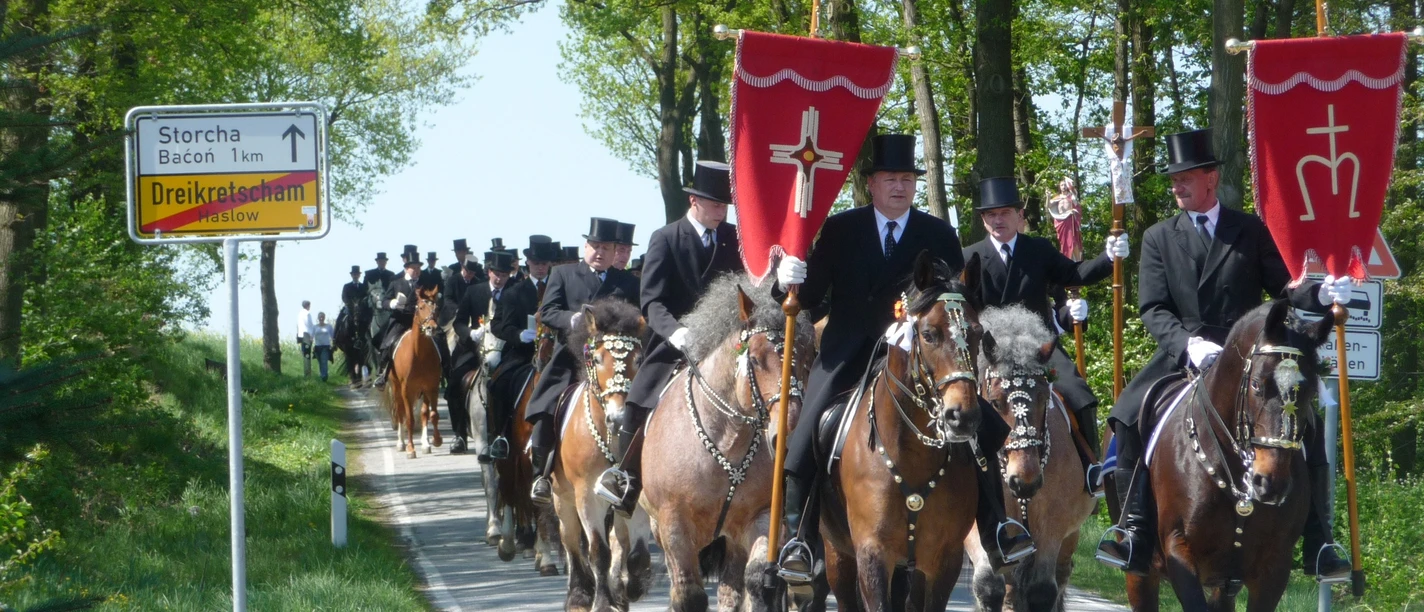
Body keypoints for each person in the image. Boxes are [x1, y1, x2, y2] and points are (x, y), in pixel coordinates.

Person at [773, 134, 1034, 582]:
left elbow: (957, 297)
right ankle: (800, 539)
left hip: (923, 355)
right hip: (848, 354)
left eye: (907, 179)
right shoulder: (840, 229)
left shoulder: (938, 233)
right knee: (806, 432)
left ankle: (997, 530)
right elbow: (809, 302)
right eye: (890, 179)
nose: (900, 187)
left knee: (983, 427)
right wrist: (786, 282)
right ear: (871, 185)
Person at [1097, 129, 1354, 580]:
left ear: (1211, 178)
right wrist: (1187, 344)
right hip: (1184, 352)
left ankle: (1319, 541)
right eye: (1174, 181)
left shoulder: (1250, 229)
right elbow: (1152, 307)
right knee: (1127, 416)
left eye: (1185, 179)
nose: (1177, 187)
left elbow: (1285, 288)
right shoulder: (1159, 236)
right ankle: (1133, 530)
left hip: (1249, 354)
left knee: (1306, 422)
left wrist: (1321, 294)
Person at [961, 177, 1126, 494]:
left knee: (1078, 393)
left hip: (1038, 347)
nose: (998, 220)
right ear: (983, 219)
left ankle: (1091, 467)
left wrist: (1108, 258)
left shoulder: (1037, 249)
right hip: (990, 351)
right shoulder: (970, 256)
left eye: (1005, 213)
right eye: (991, 214)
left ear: (1019, 215)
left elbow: (1074, 273)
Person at [596, 161, 741, 515]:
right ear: (694, 200)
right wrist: (675, 330)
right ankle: (627, 480)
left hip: (723, 340)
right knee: (638, 400)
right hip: (675, 340)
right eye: (715, 204)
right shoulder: (666, 237)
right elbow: (652, 300)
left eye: (725, 205)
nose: (721, 211)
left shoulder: (733, 236)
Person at [526, 218, 642, 505]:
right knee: (545, 402)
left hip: (614, 361)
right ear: (585, 247)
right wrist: (572, 318)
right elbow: (548, 311)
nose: (600, 252)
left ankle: (638, 474)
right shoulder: (563, 274)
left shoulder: (628, 282)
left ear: (615, 252)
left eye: (607, 248)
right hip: (571, 356)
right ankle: (541, 474)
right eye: (595, 246)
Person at [480, 236, 561, 462]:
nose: (540, 267)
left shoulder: (560, 289)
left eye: (544, 263)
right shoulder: (514, 292)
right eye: (536, 262)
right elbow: (498, 325)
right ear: (528, 263)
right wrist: (518, 335)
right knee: (498, 384)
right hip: (522, 354)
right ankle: (500, 436)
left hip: (557, 353)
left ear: (549, 264)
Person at [448, 251, 517, 454]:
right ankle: (459, 434)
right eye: (496, 274)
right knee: (455, 382)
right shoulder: (474, 291)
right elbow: (459, 322)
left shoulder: (515, 291)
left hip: (506, 349)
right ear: (489, 272)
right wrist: (470, 333)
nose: (499, 279)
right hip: (475, 348)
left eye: (503, 275)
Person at [373, 246, 424, 388]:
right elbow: (384, 301)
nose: (417, 271)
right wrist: (392, 303)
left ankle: (444, 370)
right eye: (414, 268)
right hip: (401, 320)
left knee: (438, 341)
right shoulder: (396, 282)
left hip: (420, 322)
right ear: (407, 268)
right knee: (387, 343)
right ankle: (382, 374)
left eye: (419, 268)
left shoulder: (423, 284)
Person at [363, 251, 398, 381]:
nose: (382, 262)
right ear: (377, 262)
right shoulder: (369, 274)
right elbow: (365, 291)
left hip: (387, 304)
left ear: (385, 262)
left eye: (384, 261)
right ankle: (361, 338)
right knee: (361, 316)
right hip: (372, 305)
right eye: (380, 261)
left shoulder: (391, 275)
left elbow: (393, 292)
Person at [338, 265, 368, 386]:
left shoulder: (363, 286)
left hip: (361, 310)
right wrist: (350, 305)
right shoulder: (347, 286)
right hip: (350, 309)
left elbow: (366, 297)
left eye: (357, 274)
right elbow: (344, 297)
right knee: (340, 318)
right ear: (352, 275)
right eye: (354, 274)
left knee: (368, 319)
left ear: (359, 275)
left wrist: (361, 305)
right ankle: (335, 337)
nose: (355, 276)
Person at [296, 300, 316, 377]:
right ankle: (308, 374)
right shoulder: (307, 313)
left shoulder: (299, 313)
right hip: (307, 334)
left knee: (304, 353)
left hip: (300, 335)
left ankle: (306, 372)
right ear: (308, 306)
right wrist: (312, 335)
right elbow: (310, 325)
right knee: (307, 354)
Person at [313, 312, 334, 382]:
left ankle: (324, 377)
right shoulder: (315, 327)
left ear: (324, 317)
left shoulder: (329, 326)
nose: (321, 318)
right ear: (318, 318)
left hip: (326, 346)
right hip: (317, 347)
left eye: (322, 317)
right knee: (320, 362)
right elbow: (311, 337)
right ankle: (322, 375)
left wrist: (334, 344)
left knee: (324, 361)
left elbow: (333, 336)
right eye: (320, 317)